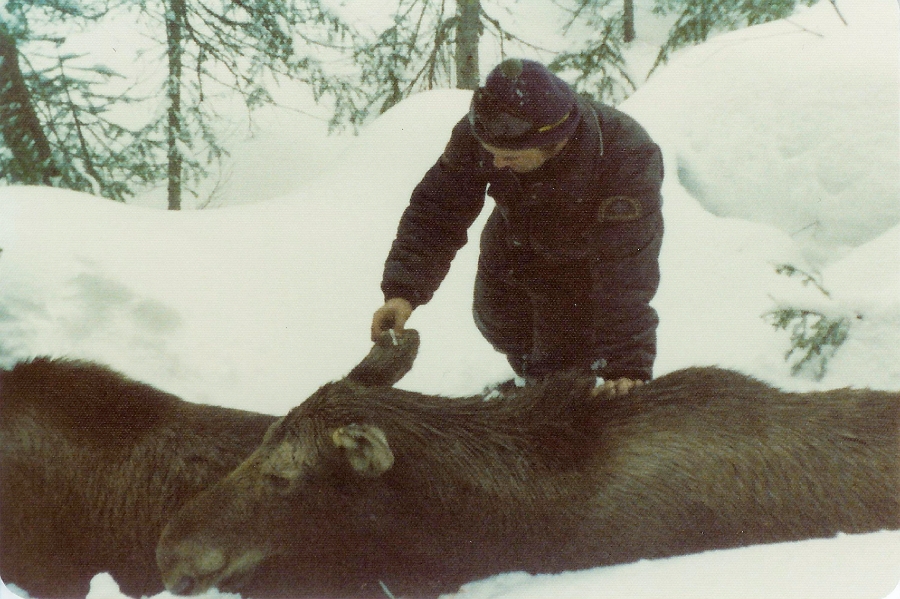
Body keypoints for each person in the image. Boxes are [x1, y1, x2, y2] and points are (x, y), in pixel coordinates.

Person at [371, 58, 664, 397]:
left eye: (509, 158)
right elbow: (437, 211)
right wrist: (402, 294)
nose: (496, 164)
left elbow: (626, 270)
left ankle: (561, 389)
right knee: (501, 326)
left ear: (553, 144)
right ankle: (532, 380)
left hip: (584, 264)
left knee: (565, 356)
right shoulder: (482, 132)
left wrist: (628, 367)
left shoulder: (626, 154)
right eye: (492, 154)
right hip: (510, 247)